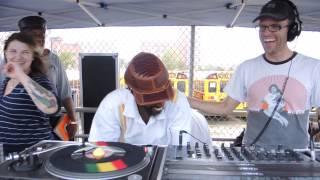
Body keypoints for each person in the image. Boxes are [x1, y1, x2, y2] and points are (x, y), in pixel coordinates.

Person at [189, 0, 320, 150]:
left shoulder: (314, 68)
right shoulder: (246, 68)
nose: (266, 32)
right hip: (252, 157)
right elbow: (225, 107)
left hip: (298, 157)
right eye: (263, 27)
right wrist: (184, 100)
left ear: (291, 30)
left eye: (275, 26)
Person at [89, 52, 211, 146]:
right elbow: (102, 150)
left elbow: (178, 152)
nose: (160, 102)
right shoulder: (113, 104)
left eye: (163, 94)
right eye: (151, 98)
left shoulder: (177, 101)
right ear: (131, 90)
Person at [18, 16, 77, 139]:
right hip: (23, 125)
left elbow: (65, 94)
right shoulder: (11, 61)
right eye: (35, 34)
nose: (41, 37)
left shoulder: (54, 59)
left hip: (52, 123)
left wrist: (73, 120)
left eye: (43, 33)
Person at [0, 32, 59, 153]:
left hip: (31, 156)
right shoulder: (7, 80)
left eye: (25, 52)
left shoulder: (38, 80)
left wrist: (20, 75)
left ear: (33, 57)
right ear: (5, 53)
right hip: (8, 155)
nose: (18, 57)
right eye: (13, 51)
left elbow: (51, 107)